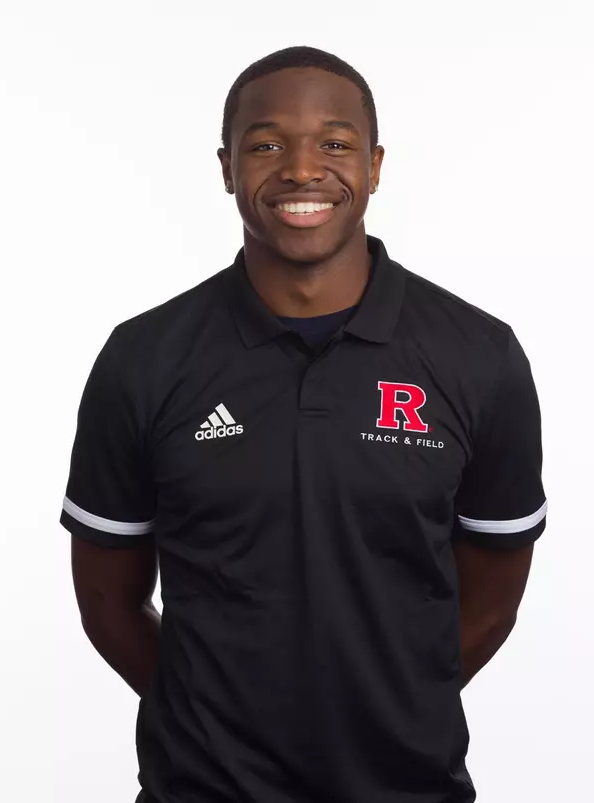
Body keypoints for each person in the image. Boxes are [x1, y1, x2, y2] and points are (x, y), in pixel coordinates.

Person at [60, 46, 547, 803]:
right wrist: (212, 719)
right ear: (226, 167)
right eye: (265, 144)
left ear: (375, 165)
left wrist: (393, 701)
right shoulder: (145, 357)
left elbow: (493, 595)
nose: (299, 168)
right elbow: (107, 601)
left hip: (407, 788)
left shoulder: (477, 354)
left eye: (334, 142)